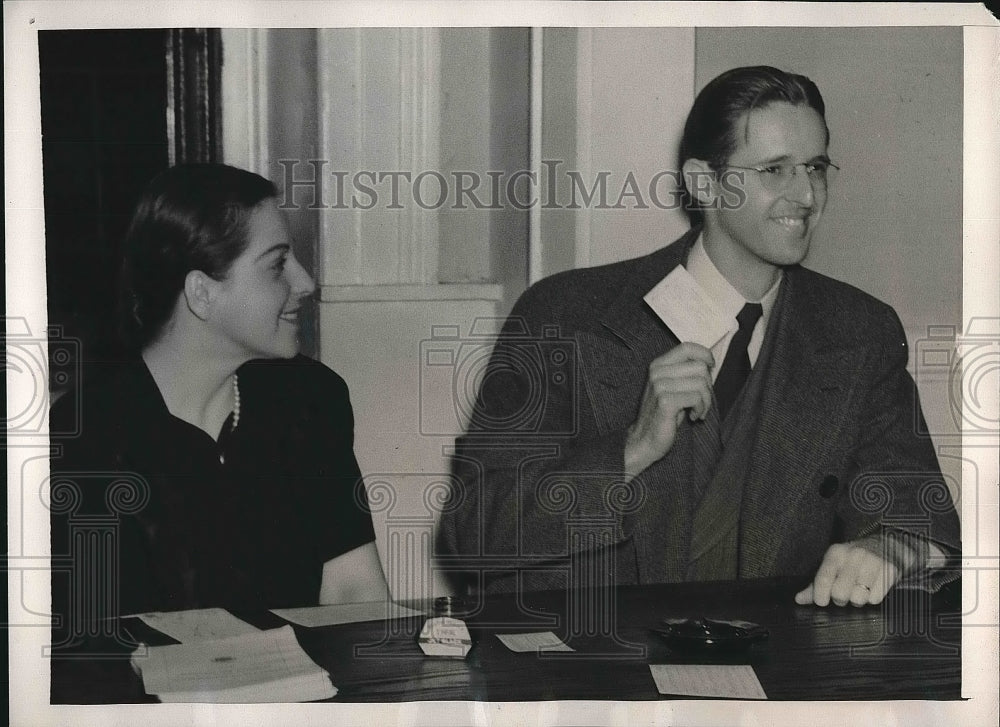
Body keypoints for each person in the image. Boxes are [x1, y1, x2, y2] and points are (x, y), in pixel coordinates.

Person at [437, 66, 960, 607]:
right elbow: (473, 534)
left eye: (816, 168)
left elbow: (918, 512)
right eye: (775, 170)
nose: (806, 194)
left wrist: (893, 548)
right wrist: (630, 451)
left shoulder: (858, 332)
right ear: (703, 182)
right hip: (593, 671)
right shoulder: (566, 316)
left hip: (776, 671)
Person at [50, 164, 388, 647]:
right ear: (202, 294)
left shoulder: (311, 400)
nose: (307, 283)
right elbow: (89, 652)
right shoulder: (86, 440)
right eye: (277, 265)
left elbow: (353, 588)